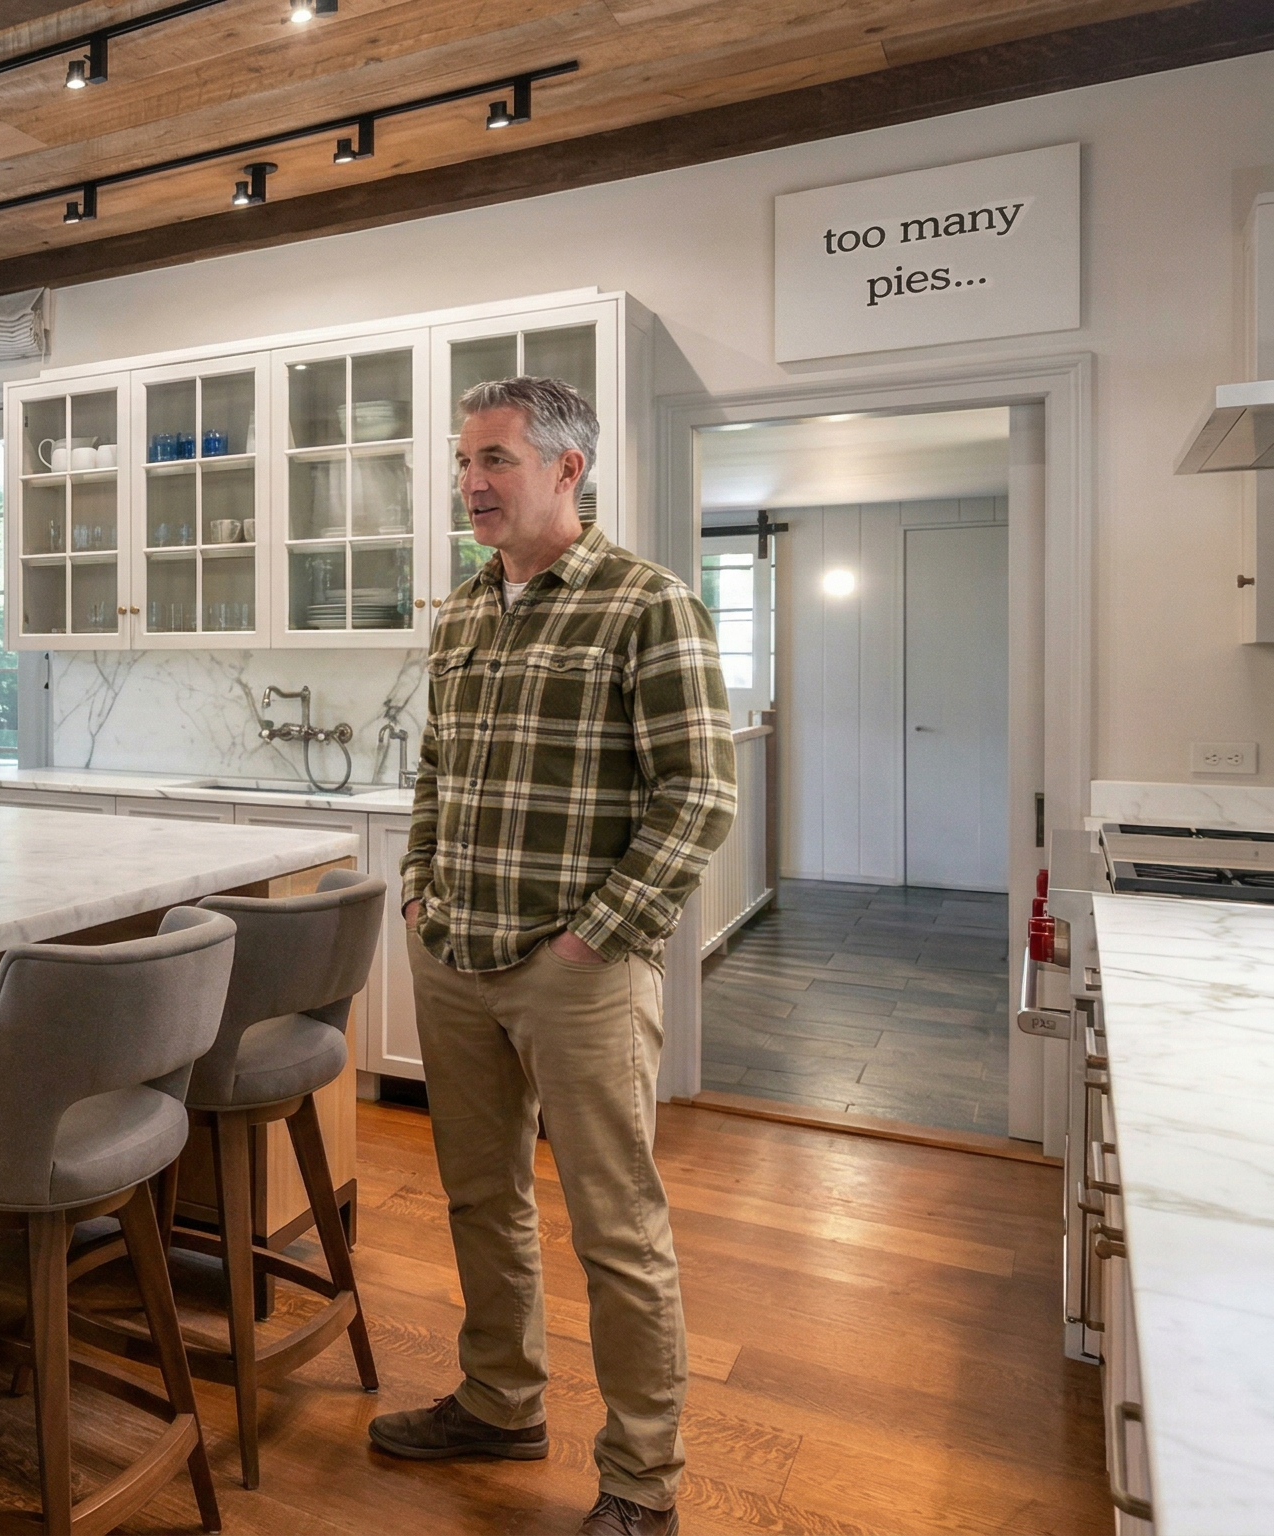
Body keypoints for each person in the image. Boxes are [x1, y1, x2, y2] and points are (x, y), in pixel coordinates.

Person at [366, 376, 736, 1536]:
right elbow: (436, 772)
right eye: (463, 462)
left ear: (565, 470)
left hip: (577, 970)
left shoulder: (646, 603)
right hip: (455, 950)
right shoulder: (464, 611)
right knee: (480, 1198)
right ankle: (498, 1402)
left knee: (614, 1228)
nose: (470, 482)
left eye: (494, 460)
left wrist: (596, 935)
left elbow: (699, 795)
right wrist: (419, 887)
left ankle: (640, 1480)